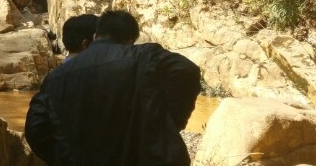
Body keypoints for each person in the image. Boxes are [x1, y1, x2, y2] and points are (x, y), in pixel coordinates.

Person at [25, 10, 201, 165]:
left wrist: (63, 158)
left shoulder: (55, 78)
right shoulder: (145, 57)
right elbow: (188, 70)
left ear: (96, 36)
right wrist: (169, 122)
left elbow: (35, 129)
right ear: (131, 40)